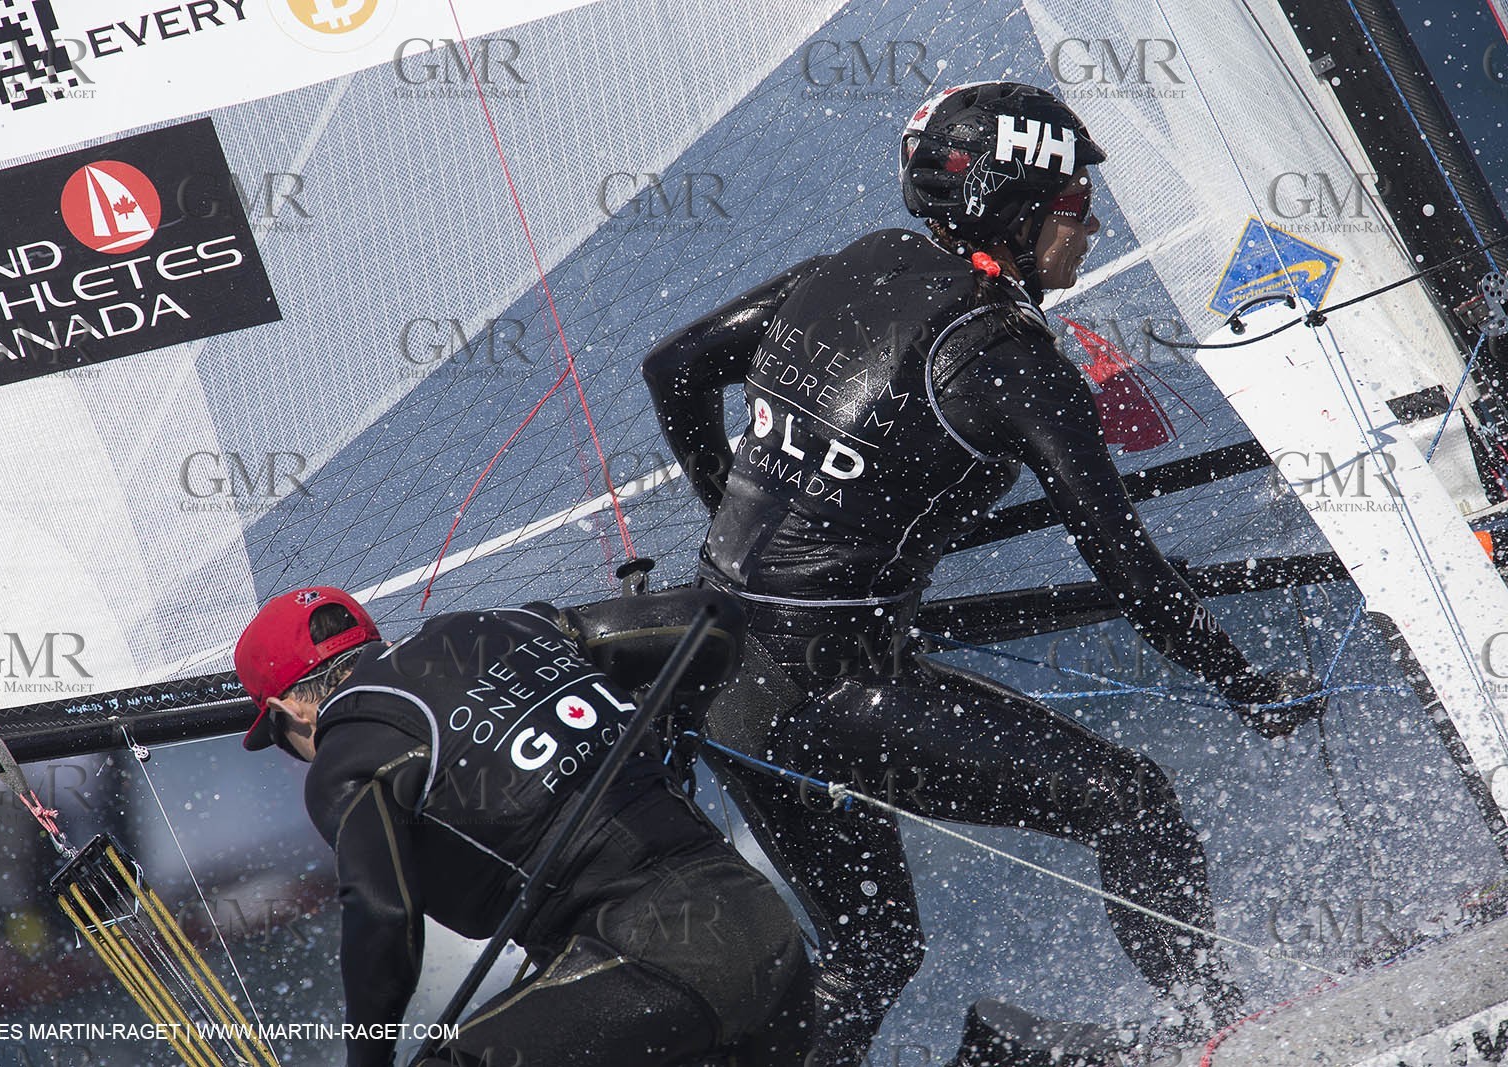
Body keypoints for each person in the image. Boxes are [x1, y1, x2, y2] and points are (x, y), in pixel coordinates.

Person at [642, 81, 1324, 1067]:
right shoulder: (1012, 363)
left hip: (715, 667)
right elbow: (1130, 570)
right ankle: (1223, 1031)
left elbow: (675, 369)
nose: (1090, 229)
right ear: (1013, 205)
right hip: (828, 687)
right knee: (1133, 802)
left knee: (874, 948)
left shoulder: (857, 263)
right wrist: (1246, 686)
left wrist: (731, 523)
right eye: (1076, 208)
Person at [233, 583, 812, 1067]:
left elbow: (384, 919)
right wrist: (663, 738)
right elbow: (710, 623)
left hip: (655, 969)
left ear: (289, 712)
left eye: (283, 741)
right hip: (771, 940)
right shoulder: (509, 623)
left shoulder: (347, 755)